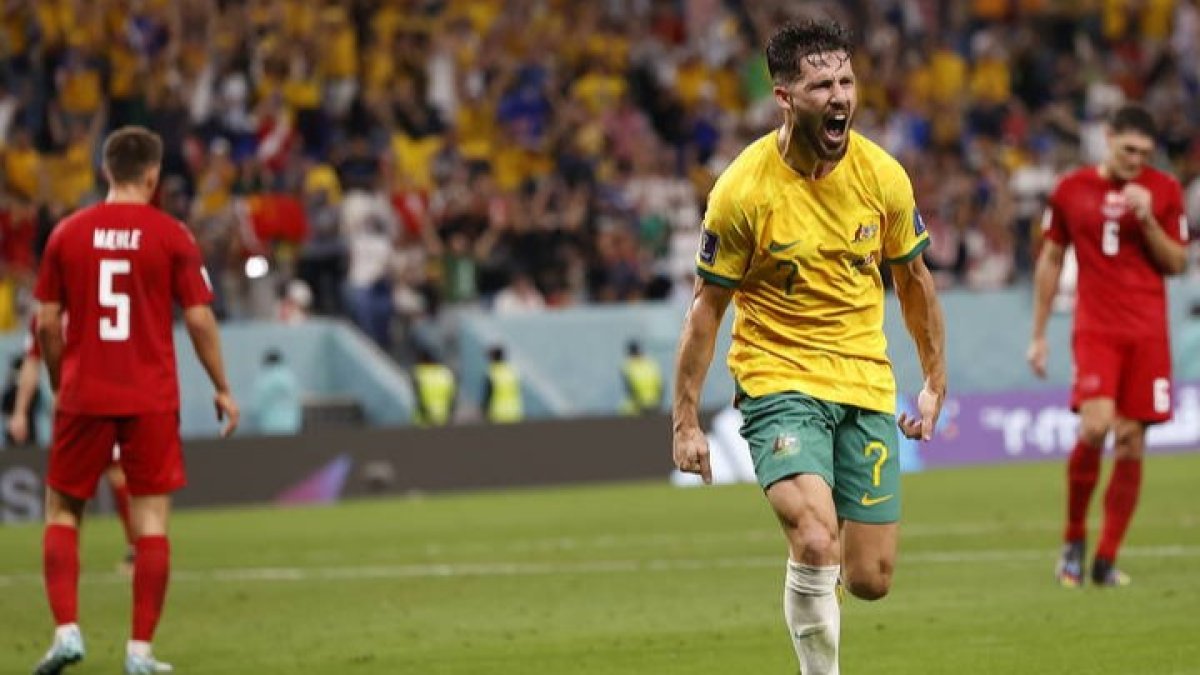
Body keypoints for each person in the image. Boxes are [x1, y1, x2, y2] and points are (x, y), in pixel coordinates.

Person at [670, 21, 946, 674]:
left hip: (864, 382)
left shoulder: (883, 178)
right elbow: (706, 310)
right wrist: (685, 421)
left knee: (871, 576)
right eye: (822, 83)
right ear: (786, 96)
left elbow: (914, 282)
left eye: (847, 80)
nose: (840, 95)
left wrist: (934, 382)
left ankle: (817, 586)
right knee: (816, 538)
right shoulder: (742, 192)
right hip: (778, 380)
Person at [32, 126, 240, 675]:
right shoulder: (171, 235)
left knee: (62, 511)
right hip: (149, 395)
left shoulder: (67, 234)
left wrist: (60, 382)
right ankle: (140, 652)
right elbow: (198, 316)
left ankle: (66, 631)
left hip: (84, 390)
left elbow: (47, 322)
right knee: (150, 521)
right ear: (153, 176)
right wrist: (221, 384)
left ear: (106, 172)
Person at [1028, 104, 1189, 588]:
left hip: (1148, 334)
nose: (1136, 159)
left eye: (1144, 152)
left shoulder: (1164, 191)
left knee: (1133, 440)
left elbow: (1177, 264)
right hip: (1096, 328)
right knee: (1096, 426)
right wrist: (1038, 335)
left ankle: (1105, 559)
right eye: (1128, 149)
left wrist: (1149, 220)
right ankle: (1073, 540)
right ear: (1108, 136)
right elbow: (1052, 259)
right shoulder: (1071, 189)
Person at [9, 316, 138, 573]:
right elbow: (32, 364)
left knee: (67, 488)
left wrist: (20, 412)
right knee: (110, 476)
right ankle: (130, 550)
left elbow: (32, 364)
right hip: (100, 404)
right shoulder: (85, 307)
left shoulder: (46, 316)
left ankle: (74, 556)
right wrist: (21, 411)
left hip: (77, 408)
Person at [249, 348, 302, 435]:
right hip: (291, 426)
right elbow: (296, 401)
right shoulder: (289, 378)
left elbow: (256, 406)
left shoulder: (263, 380)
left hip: (269, 426)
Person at [412, 348, 457, 426]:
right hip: (443, 418)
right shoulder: (446, 373)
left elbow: (418, 397)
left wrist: (427, 415)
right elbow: (452, 397)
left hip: (424, 420)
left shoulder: (419, 373)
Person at [619, 340, 663, 414]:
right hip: (655, 404)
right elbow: (661, 386)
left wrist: (640, 404)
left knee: (622, 410)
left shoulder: (627, 366)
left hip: (638, 406)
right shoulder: (651, 364)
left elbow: (630, 389)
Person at [482, 345, 523, 424]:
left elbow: (487, 396)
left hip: (497, 416)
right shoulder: (513, 372)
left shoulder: (491, 374)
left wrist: (484, 413)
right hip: (515, 414)